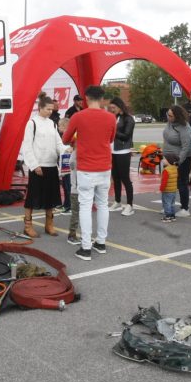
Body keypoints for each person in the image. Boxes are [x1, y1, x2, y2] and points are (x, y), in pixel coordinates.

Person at [62, 85, 116, 261]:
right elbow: (111, 139)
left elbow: (65, 138)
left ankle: (85, 247)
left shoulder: (78, 116)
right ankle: (101, 242)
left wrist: (79, 138)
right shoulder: (110, 117)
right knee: (102, 204)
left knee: (85, 206)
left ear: (85, 98)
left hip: (86, 168)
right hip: (105, 167)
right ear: (102, 99)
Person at [20, 93, 64, 237]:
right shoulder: (31, 123)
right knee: (32, 197)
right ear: (40, 108)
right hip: (38, 166)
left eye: (52, 110)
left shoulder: (52, 123)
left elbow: (58, 143)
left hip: (52, 165)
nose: (51, 112)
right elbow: (26, 147)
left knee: (51, 197)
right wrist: (34, 165)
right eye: (48, 109)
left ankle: (49, 225)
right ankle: (27, 226)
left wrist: (66, 150)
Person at [161, 105, 191, 217]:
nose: (168, 117)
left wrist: (179, 161)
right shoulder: (170, 123)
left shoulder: (184, 127)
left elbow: (186, 146)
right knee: (169, 184)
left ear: (177, 116)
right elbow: (166, 138)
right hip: (169, 158)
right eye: (168, 115)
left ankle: (185, 208)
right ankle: (169, 206)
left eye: (170, 116)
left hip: (181, 159)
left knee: (182, 182)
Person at [107, 96, 136, 216]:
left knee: (125, 179)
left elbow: (126, 135)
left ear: (120, 107)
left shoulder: (129, 119)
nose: (111, 110)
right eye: (110, 108)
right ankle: (117, 201)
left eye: (113, 107)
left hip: (123, 151)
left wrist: (112, 130)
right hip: (112, 151)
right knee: (116, 178)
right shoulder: (114, 118)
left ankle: (130, 205)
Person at [159, 155, 180, 222]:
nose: (163, 160)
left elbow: (164, 181)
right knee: (172, 203)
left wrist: (161, 189)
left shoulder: (166, 170)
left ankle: (168, 216)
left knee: (166, 203)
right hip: (173, 189)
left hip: (167, 190)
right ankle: (172, 216)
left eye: (164, 159)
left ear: (169, 161)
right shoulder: (175, 168)